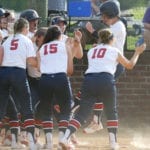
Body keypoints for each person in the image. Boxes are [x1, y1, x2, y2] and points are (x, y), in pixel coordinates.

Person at [59, 28, 146, 150]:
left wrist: (97, 46)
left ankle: (65, 137)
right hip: (106, 79)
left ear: (100, 39)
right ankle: (113, 143)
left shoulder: (92, 51)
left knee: (82, 113)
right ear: (112, 39)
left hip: (89, 80)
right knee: (111, 112)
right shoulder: (114, 50)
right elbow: (130, 65)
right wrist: (137, 52)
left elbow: (99, 54)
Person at [75, 1, 126, 134]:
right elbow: (103, 43)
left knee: (99, 91)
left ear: (111, 14)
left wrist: (92, 31)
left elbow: (106, 39)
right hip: (108, 65)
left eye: (104, 15)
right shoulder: (114, 25)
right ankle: (96, 120)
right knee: (99, 91)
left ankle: (93, 119)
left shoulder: (118, 26)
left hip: (115, 65)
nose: (102, 18)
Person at [0, 18, 37, 149]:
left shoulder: (7, 40)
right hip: (18, 72)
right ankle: (32, 143)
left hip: (3, 72)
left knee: (1, 107)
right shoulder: (26, 40)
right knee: (27, 107)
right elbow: (31, 61)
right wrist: (41, 64)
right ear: (25, 28)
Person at [35, 25, 74, 149]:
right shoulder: (64, 45)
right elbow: (70, 70)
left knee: (46, 110)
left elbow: (40, 69)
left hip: (45, 79)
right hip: (60, 78)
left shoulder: (41, 49)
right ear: (59, 36)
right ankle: (62, 139)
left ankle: (49, 142)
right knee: (66, 108)